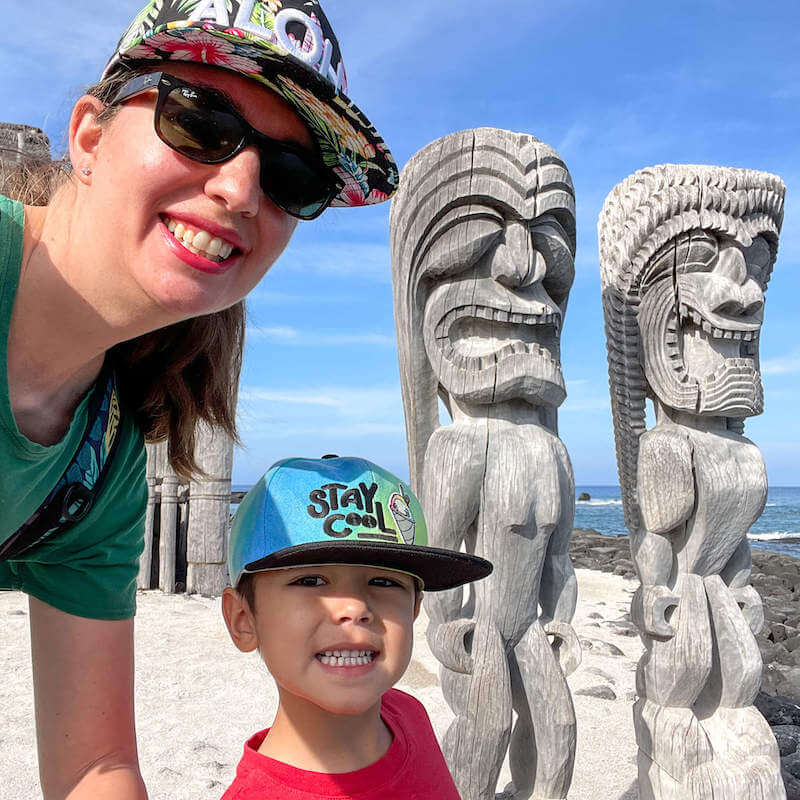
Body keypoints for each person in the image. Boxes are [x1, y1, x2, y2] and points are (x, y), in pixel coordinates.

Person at [0, 2, 397, 798]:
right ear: (88, 136)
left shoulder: (100, 460)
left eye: (293, 177)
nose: (243, 188)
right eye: (199, 122)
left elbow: (95, 767)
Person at [220, 454, 493, 799]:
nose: (355, 607)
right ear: (244, 620)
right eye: (311, 580)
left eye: (384, 581)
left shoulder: (409, 714)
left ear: (414, 609)